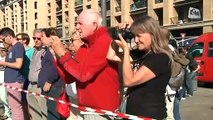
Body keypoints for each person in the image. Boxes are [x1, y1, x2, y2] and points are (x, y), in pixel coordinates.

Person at [51, 9, 120, 120]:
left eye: (80, 23)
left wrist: (63, 54)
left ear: (94, 25)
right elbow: (69, 78)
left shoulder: (104, 40)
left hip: (102, 112)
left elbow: (84, 74)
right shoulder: (85, 47)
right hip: (86, 109)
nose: (77, 27)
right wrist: (58, 56)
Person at [107, 16, 173, 119]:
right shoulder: (142, 54)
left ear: (152, 34)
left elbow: (129, 81)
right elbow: (111, 56)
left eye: (139, 36)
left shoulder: (160, 58)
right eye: (134, 36)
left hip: (150, 116)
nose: (136, 40)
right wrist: (118, 34)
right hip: (134, 115)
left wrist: (126, 50)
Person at [38, 27, 66, 120]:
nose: (41, 39)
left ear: (50, 38)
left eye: (43, 36)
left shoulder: (54, 50)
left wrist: (50, 81)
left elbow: (57, 66)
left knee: (53, 114)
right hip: (50, 86)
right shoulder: (48, 50)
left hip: (54, 87)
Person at [0, 27, 25, 120]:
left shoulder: (18, 46)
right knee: (13, 107)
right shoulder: (12, 48)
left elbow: (18, 65)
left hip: (15, 81)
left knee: (16, 108)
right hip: (10, 81)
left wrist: (3, 63)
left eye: (3, 39)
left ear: (9, 36)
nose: (3, 42)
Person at [27, 29, 47, 120]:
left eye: (38, 38)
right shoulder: (34, 51)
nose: (36, 40)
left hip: (40, 86)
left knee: (44, 114)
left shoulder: (46, 52)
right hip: (31, 85)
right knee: (34, 115)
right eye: (34, 38)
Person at [16, 32, 34, 120]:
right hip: (20, 79)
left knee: (29, 101)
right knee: (22, 101)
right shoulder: (17, 51)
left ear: (25, 40)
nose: (16, 41)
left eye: (18, 39)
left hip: (29, 79)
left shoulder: (32, 51)